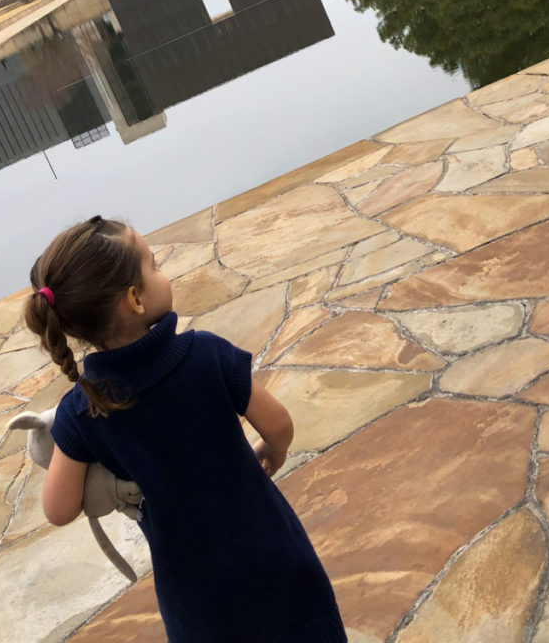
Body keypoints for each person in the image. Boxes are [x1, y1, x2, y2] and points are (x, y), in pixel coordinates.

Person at [25, 216, 347, 643]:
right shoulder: (205, 354)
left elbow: (58, 509)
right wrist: (273, 450)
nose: (163, 270)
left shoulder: (83, 410)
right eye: (154, 263)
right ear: (135, 300)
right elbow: (280, 425)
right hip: (278, 568)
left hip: (199, 606)